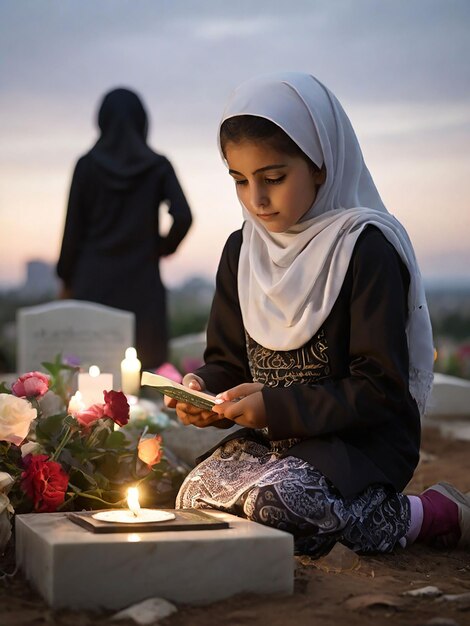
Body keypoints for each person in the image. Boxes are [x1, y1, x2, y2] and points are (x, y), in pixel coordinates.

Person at [166, 72, 470, 556]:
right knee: (193, 495)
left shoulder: (365, 248)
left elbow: (380, 389)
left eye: (273, 178)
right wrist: (204, 391)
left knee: (284, 506)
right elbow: (228, 361)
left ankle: (424, 514)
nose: (256, 200)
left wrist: (276, 407)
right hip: (276, 441)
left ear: (321, 166)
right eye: (240, 181)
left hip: (357, 442)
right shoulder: (241, 251)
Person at [57, 88, 192, 370]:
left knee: (89, 382)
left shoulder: (86, 166)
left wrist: (66, 278)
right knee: (144, 379)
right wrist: (161, 248)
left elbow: (73, 231)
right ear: (143, 121)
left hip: (92, 285)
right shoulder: (158, 166)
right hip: (141, 284)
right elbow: (183, 216)